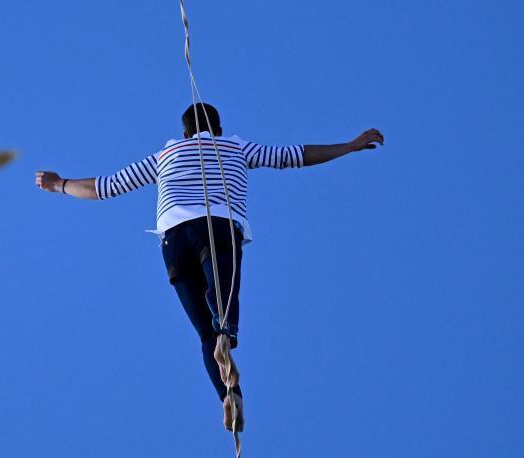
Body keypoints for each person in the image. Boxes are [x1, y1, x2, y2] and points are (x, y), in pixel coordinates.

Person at [36, 103, 383, 432]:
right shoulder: (236, 148)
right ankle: (226, 337)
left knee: (204, 333)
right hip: (217, 228)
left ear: (185, 133)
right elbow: (294, 156)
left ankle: (228, 397)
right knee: (221, 318)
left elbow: (105, 187)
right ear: (219, 128)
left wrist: (59, 184)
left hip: (173, 241)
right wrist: (348, 146)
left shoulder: (164, 156)